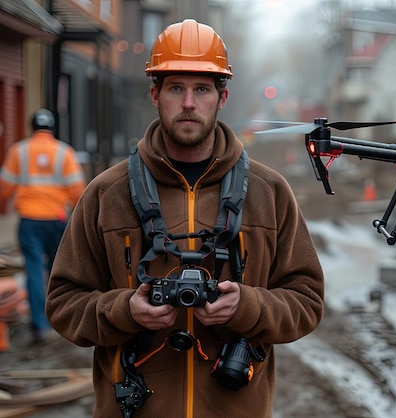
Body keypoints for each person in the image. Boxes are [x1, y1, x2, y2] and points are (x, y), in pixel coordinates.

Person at [46, 19, 324, 418]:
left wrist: (246, 307)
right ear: (155, 94)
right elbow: (62, 303)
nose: (189, 103)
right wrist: (126, 311)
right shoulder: (107, 193)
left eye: (202, 89)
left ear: (222, 97)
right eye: (176, 88)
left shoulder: (270, 192)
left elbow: (307, 301)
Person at [0, 108, 85, 344]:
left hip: (29, 220)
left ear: (32, 127)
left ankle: (39, 325)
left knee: (34, 270)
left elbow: (4, 186)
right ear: (52, 128)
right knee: (61, 270)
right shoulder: (64, 152)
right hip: (56, 219)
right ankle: (63, 319)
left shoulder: (19, 151)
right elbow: (78, 191)